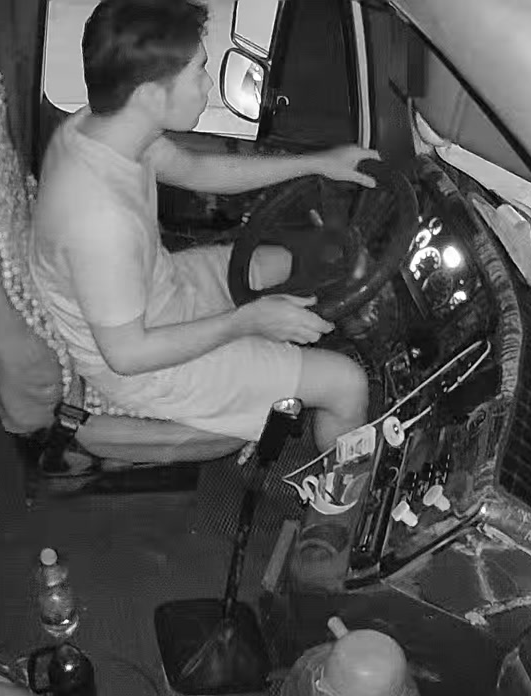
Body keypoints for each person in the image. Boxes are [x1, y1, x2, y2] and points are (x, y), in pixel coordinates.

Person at [31, 0, 373, 452]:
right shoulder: (100, 220)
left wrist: (319, 163)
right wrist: (246, 322)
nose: (208, 84)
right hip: (147, 367)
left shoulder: (101, 128)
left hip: (160, 290)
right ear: (150, 95)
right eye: (199, 72)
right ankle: (336, 496)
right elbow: (128, 356)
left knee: (288, 261)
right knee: (347, 384)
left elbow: (195, 170)